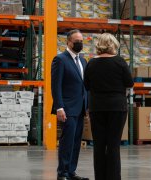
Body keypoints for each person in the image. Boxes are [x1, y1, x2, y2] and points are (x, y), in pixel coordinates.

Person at [84, 33, 134, 180]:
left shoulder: (91, 63)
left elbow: (86, 85)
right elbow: (129, 83)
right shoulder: (120, 62)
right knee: (113, 145)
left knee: (99, 145)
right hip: (116, 107)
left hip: (97, 108)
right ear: (113, 45)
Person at [51, 29, 89, 180]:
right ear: (68, 42)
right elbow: (56, 85)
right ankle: (63, 173)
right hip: (67, 108)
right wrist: (59, 107)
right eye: (77, 41)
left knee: (76, 142)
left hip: (80, 108)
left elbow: (84, 85)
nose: (80, 44)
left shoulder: (83, 61)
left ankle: (72, 171)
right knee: (67, 141)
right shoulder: (60, 59)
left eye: (81, 41)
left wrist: (87, 106)